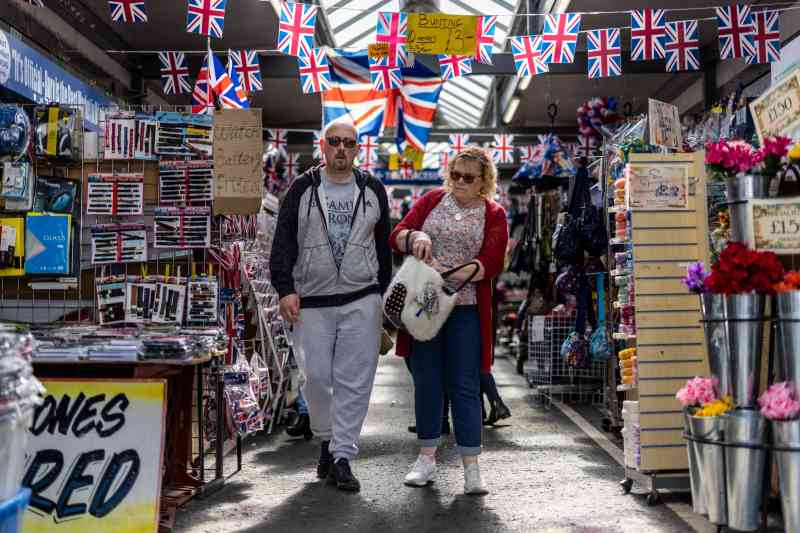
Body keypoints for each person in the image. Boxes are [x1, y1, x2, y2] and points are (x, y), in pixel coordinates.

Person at [269, 121, 392, 493]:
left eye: (349, 143)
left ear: (358, 149)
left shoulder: (372, 190)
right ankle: (325, 437)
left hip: (362, 297)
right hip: (313, 299)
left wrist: (382, 298)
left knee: (355, 382)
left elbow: (383, 247)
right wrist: (285, 288)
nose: (341, 148)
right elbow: (283, 241)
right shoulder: (303, 189)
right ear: (323, 146)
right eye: (335, 142)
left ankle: (342, 456)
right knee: (318, 377)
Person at [390, 146, 509, 495]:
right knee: (426, 379)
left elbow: (492, 258)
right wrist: (416, 236)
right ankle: (426, 459)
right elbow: (396, 234)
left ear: (484, 181)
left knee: (466, 384)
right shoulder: (431, 201)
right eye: (455, 174)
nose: (459, 182)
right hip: (426, 304)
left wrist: (452, 275)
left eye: (468, 177)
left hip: (467, 307)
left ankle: (471, 467)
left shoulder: (494, 213)